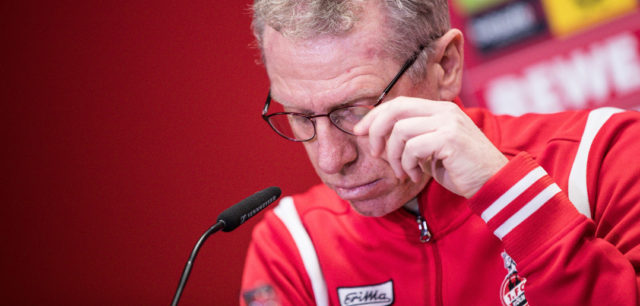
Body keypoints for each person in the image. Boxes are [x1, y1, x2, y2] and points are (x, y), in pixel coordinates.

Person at [240, 0, 640, 305]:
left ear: (445, 66)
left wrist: (509, 196)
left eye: (357, 110)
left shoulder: (604, 155)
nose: (331, 160)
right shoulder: (293, 247)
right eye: (300, 117)